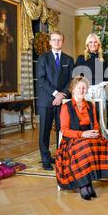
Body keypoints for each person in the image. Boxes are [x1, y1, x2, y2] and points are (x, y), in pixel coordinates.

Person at [55, 76, 108, 200]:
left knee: (99, 146)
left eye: (84, 88)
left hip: (90, 135)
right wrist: (82, 134)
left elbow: (96, 125)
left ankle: (86, 183)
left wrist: (95, 133)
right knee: (84, 147)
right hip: (72, 139)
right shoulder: (66, 107)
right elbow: (64, 130)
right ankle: (85, 185)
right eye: (79, 88)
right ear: (73, 89)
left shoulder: (90, 105)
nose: (82, 90)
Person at [36, 31, 74, 171]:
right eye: (54, 40)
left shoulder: (69, 60)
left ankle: (60, 156)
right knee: (44, 131)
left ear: (63, 42)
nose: (57, 42)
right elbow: (42, 79)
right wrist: (55, 94)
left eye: (59, 40)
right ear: (50, 42)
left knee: (62, 130)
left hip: (63, 100)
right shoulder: (43, 59)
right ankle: (46, 159)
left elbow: (71, 80)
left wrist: (62, 95)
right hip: (47, 100)